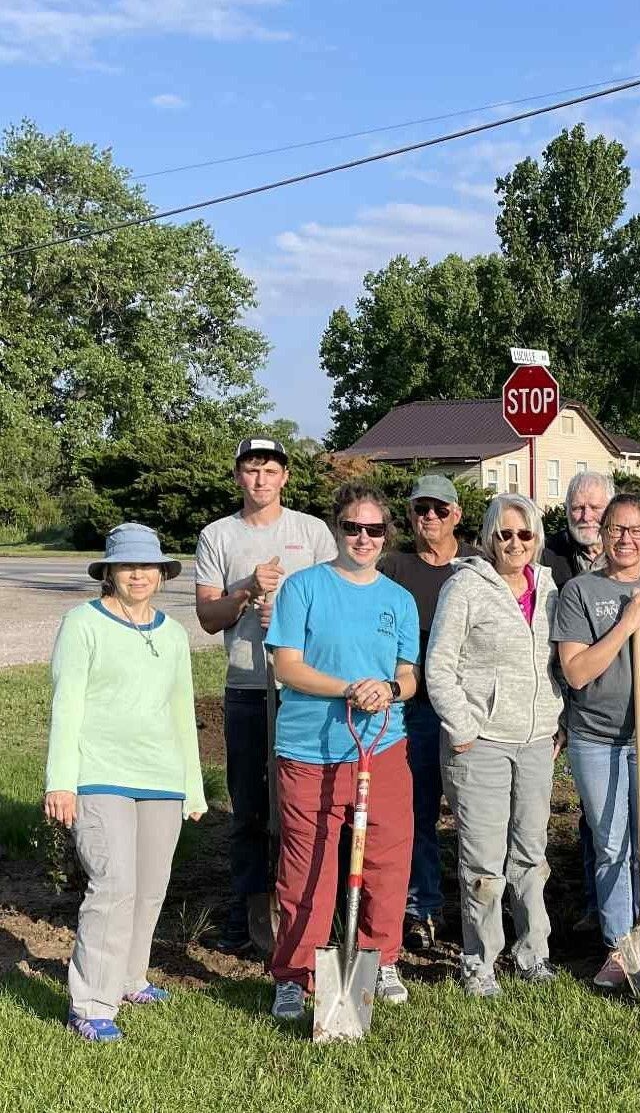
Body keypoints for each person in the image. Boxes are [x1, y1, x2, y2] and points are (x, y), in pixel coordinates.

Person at [264, 484, 420, 1022]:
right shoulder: (304, 588)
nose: (363, 538)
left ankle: (383, 959)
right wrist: (350, 687)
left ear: (386, 535)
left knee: (386, 858)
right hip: (309, 748)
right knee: (307, 867)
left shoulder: (398, 599)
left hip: (381, 746)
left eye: (374, 529)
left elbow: (408, 675)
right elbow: (286, 667)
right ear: (337, 529)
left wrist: (391, 690)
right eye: (353, 527)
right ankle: (294, 974)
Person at [44, 524, 206, 1042]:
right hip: (99, 773)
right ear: (109, 572)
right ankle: (91, 1003)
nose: (139, 574)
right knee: (112, 886)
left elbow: (183, 711)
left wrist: (194, 786)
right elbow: (66, 704)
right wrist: (60, 782)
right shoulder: (81, 624)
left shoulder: (174, 634)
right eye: (127, 566)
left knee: (149, 888)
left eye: (148, 566)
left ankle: (131, 977)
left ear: (161, 572)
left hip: (161, 777)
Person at [193, 437, 335, 955]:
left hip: (304, 689)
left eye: (270, 470)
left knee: (304, 803)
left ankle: (309, 905)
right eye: (251, 470)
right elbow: (209, 619)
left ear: (285, 477)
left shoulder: (312, 533)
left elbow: (335, 607)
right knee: (250, 805)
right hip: (248, 688)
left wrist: (293, 623)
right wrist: (247, 589)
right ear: (238, 477)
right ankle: (250, 909)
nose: (260, 480)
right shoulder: (218, 536)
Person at [424, 493, 565, 998]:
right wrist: (463, 727)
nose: (514, 543)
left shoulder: (549, 588)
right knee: (483, 861)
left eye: (524, 534)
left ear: (537, 539)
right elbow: (438, 666)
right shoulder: (465, 587)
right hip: (480, 743)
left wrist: (556, 717)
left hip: (534, 742)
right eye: (504, 534)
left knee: (531, 854)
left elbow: (555, 664)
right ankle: (480, 960)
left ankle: (533, 952)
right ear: (488, 537)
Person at [552, 493, 640, 991]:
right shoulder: (581, 593)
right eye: (615, 530)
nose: (625, 540)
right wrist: (626, 625)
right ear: (602, 535)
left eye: (636, 531)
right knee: (609, 843)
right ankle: (616, 947)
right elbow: (578, 672)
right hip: (597, 738)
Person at [379, 473, 480, 952]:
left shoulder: (476, 567)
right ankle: (423, 909)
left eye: (440, 510)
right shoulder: (395, 568)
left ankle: (483, 907)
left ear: (457, 513)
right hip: (415, 711)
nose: (431, 519)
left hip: (471, 710)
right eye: (422, 510)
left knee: (475, 817)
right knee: (417, 813)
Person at [544, 470, 615, 936]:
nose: (585, 516)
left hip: (619, 707)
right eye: (577, 508)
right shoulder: (549, 559)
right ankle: (580, 903)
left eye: (594, 508)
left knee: (608, 813)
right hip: (563, 701)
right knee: (580, 808)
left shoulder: (635, 555)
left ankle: (615, 903)